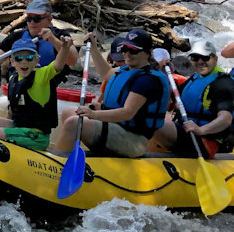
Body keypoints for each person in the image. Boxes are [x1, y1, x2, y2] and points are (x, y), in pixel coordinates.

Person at [48, 29, 169, 158]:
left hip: (133, 141)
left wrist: (94, 114)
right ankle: (74, 154)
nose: (127, 54)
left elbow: (127, 113)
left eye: (133, 50)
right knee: (69, 112)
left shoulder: (148, 79)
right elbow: (106, 73)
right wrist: (94, 47)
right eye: (124, 49)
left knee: (74, 123)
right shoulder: (126, 70)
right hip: (116, 128)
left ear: (147, 53)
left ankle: (57, 164)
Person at [0, 33, 76, 150]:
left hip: (36, 136)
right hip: (19, 127)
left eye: (29, 58)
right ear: (12, 61)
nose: (24, 62)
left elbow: (58, 64)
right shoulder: (13, 79)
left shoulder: (41, 76)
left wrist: (65, 48)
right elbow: (12, 111)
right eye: (19, 58)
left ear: (36, 60)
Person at [151, 39, 234, 158]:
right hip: (186, 131)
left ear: (215, 58)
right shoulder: (196, 78)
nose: (200, 62)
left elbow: (226, 119)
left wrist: (201, 130)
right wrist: (160, 71)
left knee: (150, 120)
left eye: (205, 58)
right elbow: (170, 94)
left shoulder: (223, 84)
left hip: (204, 141)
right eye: (195, 58)